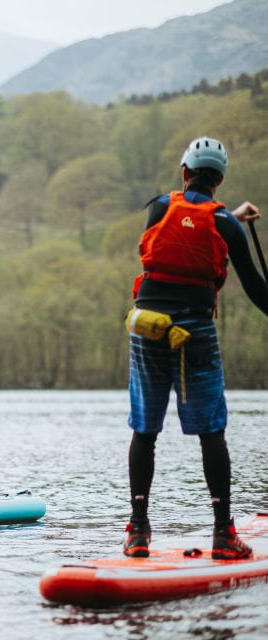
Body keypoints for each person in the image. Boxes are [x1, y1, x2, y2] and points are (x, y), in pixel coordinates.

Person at [124, 136, 267, 559]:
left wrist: (229, 219)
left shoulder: (158, 206)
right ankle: (223, 534)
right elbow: (257, 288)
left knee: (144, 431)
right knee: (211, 433)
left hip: (148, 327)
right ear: (219, 180)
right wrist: (234, 221)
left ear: (184, 171)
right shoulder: (226, 223)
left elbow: (181, 232)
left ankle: (137, 532)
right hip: (194, 331)